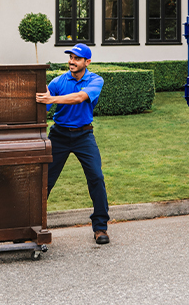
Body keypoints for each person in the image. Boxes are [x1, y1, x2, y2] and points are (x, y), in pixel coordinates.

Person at [36, 43, 111, 245]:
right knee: (44, 180)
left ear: (87, 62)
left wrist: (52, 99)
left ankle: (100, 227)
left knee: (96, 177)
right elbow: (43, 105)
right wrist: (42, 98)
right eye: (70, 57)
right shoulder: (58, 82)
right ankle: (33, 225)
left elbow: (79, 98)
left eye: (77, 58)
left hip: (84, 136)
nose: (71, 61)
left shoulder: (95, 80)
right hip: (59, 136)